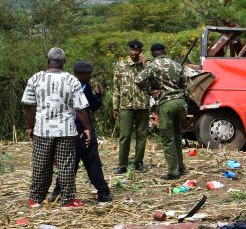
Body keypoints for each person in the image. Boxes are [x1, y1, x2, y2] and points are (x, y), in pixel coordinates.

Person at [22, 48, 91, 209]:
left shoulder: (36, 78)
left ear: (48, 60)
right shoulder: (71, 80)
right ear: (64, 62)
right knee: (66, 165)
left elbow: (29, 106)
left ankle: (35, 199)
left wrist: (30, 126)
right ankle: (68, 201)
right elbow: (81, 108)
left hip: (42, 130)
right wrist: (87, 127)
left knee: (41, 165)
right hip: (66, 130)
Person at [49, 61, 113, 203]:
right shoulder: (76, 87)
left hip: (77, 129)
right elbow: (81, 110)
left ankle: (102, 191)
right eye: (88, 74)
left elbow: (91, 107)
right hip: (77, 129)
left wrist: (98, 96)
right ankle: (60, 191)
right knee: (80, 162)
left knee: (79, 163)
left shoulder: (82, 86)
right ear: (80, 74)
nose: (90, 77)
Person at [136, 43, 189, 180]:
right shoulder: (177, 65)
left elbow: (138, 80)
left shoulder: (153, 66)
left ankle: (173, 172)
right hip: (180, 103)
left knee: (167, 139)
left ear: (153, 53)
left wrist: (151, 91)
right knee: (177, 136)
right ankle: (181, 167)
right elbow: (185, 86)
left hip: (166, 105)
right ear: (164, 51)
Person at [113, 39, 151, 174]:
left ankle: (138, 163)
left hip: (142, 105)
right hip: (126, 105)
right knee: (125, 136)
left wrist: (145, 66)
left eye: (137, 50)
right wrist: (115, 107)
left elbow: (152, 81)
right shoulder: (121, 65)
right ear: (129, 50)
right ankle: (122, 164)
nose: (134, 52)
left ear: (140, 51)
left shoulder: (146, 66)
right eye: (132, 50)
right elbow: (116, 86)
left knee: (142, 136)